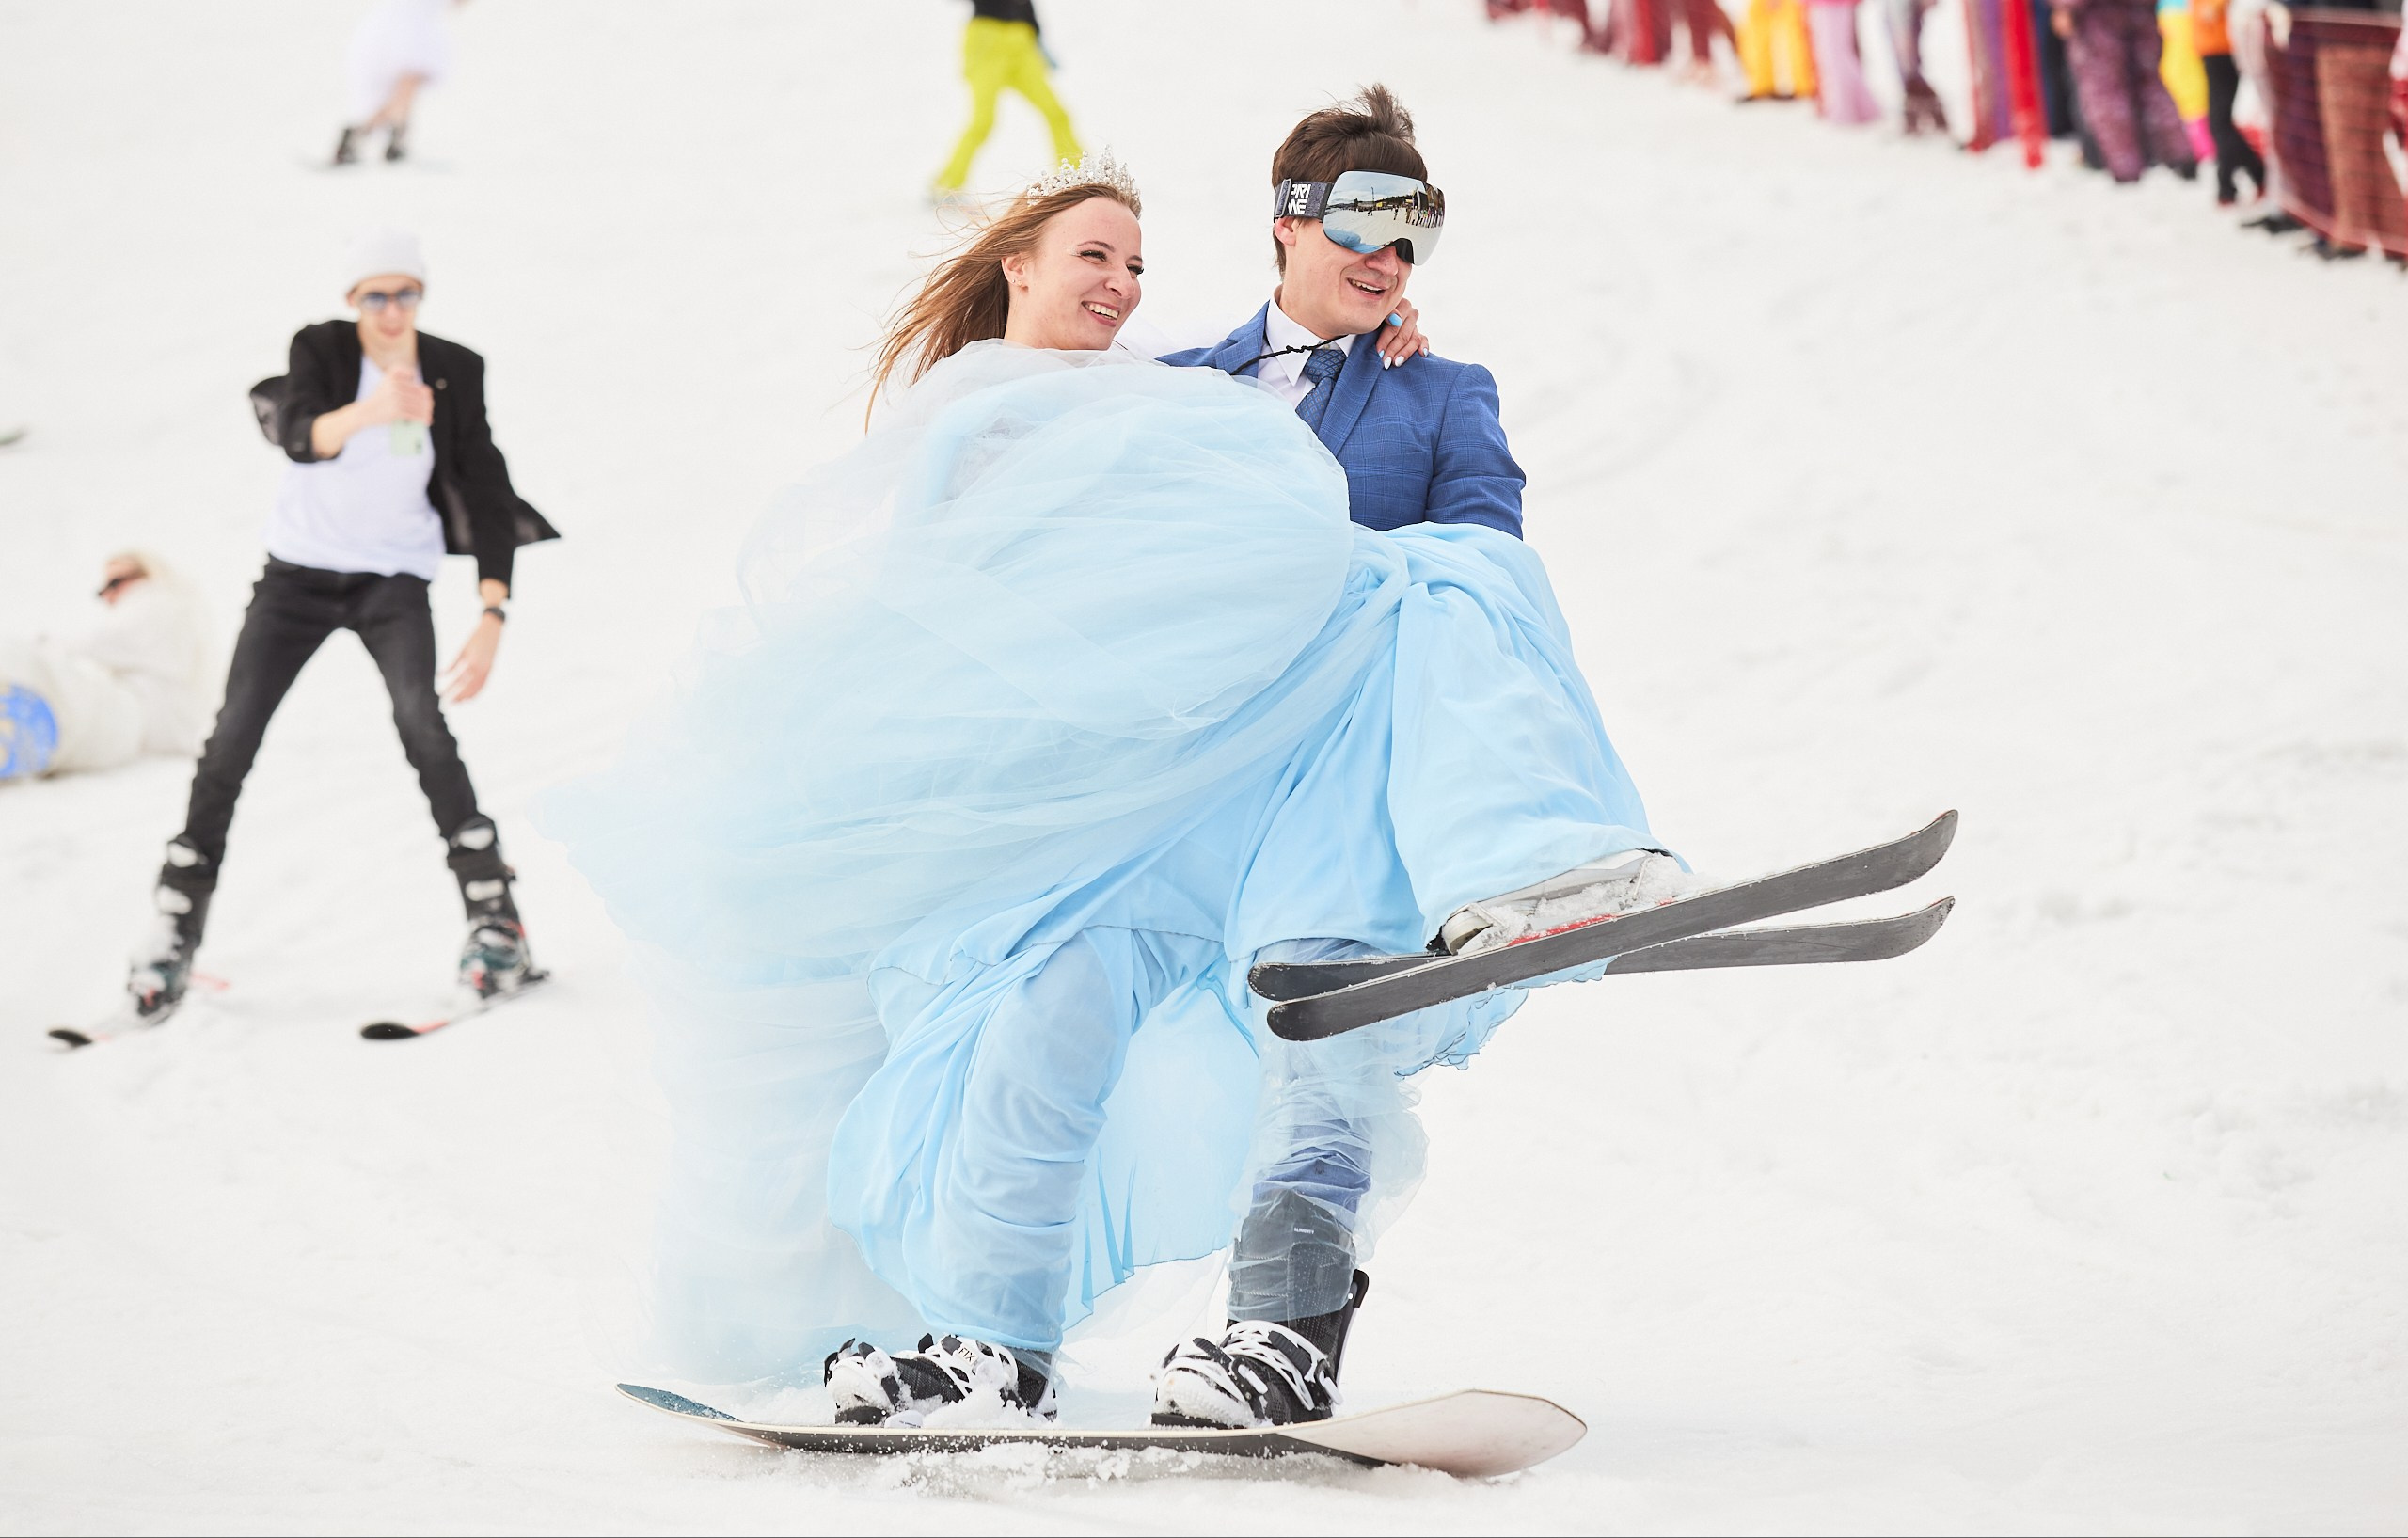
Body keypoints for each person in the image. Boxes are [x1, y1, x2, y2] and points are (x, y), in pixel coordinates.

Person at [551, 128, 1670, 1429]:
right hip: (1174, 789)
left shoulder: (1439, 389)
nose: (1392, 251)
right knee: (1045, 1005)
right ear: (1289, 223)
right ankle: (991, 1338)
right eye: (1365, 219)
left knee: (1325, 1016)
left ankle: (1283, 1333)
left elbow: (1488, 565)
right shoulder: (1171, 384)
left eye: (1417, 227)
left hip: (1330, 782)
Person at [120, 229, 559, 1030]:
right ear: (353, 302)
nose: (393, 311)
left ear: (421, 297)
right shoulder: (320, 349)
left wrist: (493, 607)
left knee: (423, 725)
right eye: (375, 296)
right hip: (298, 576)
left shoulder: (455, 368)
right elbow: (299, 435)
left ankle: (497, 922)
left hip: (393, 580)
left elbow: (487, 482)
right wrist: (375, 408)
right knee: (233, 735)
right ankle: (176, 920)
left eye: (406, 294)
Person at [0, 552, 212, 782]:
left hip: (138, 712)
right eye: (102, 590)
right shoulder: (174, 611)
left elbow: (112, 641)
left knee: (70, 693)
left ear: (146, 574)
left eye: (114, 583)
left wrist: (48, 644)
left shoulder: (154, 599)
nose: (107, 596)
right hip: (142, 722)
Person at [931, 1, 1083, 202]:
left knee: (1057, 113)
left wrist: (1037, 39)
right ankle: (946, 185)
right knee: (982, 122)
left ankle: (1076, 176)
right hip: (987, 40)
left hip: (1022, 41)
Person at [2050, 0, 2202, 182]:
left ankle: (2126, 166)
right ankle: (2179, 153)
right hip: (2141, 9)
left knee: (2107, 91)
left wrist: (2065, 7)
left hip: (2098, 17)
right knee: (2151, 83)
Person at [334, 0, 465, 166]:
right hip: (412, 30)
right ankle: (384, 139)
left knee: (404, 91)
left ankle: (384, 139)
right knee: (405, 91)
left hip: (394, 26)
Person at [2194, 0, 2269, 202]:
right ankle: (2237, 181)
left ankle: (2244, 179)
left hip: (2221, 47)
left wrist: (2213, 7)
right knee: (2220, 121)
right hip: (2212, 46)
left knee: (2221, 121)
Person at [1804, 0, 1886, 124]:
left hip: (1832, 4)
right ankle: (1861, 108)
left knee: (1835, 56)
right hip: (1829, 4)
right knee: (1836, 55)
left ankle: (1846, 110)